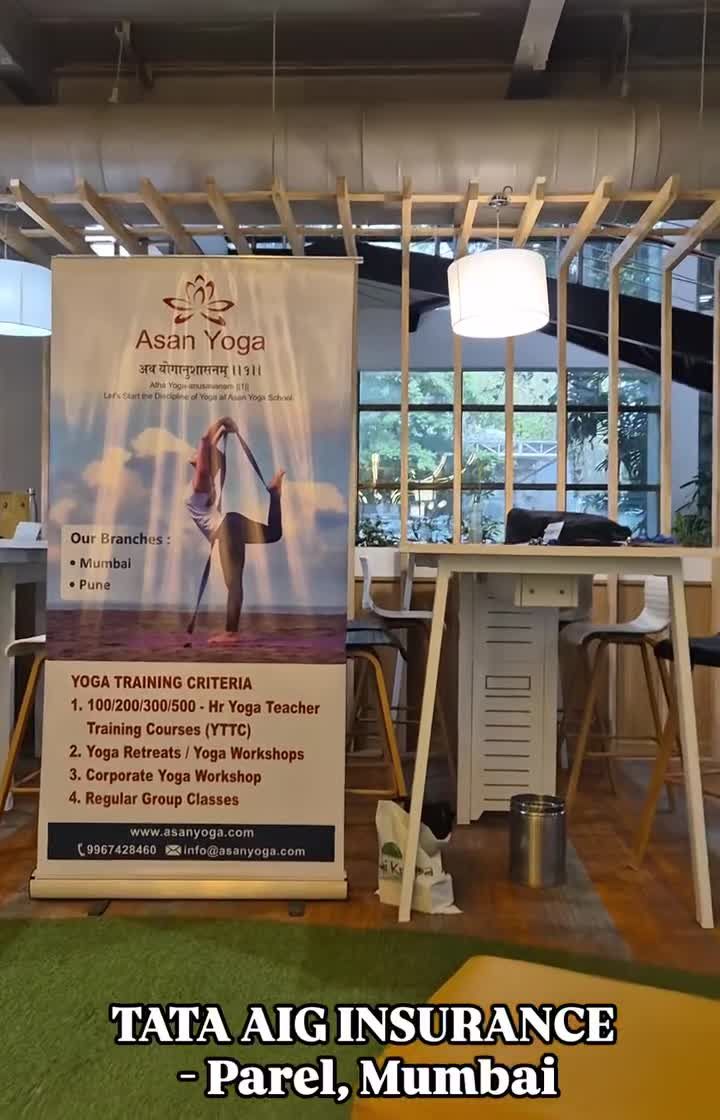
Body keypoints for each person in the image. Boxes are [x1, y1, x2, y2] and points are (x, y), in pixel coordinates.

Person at [186, 416, 284, 645]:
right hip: (232, 524)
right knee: (274, 534)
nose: (196, 454)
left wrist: (222, 422)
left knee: (234, 582)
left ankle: (231, 633)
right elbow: (210, 452)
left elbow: (205, 443)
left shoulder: (199, 486)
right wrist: (223, 432)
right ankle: (275, 494)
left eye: (199, 455)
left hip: (227, 529)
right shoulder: (204, 483)